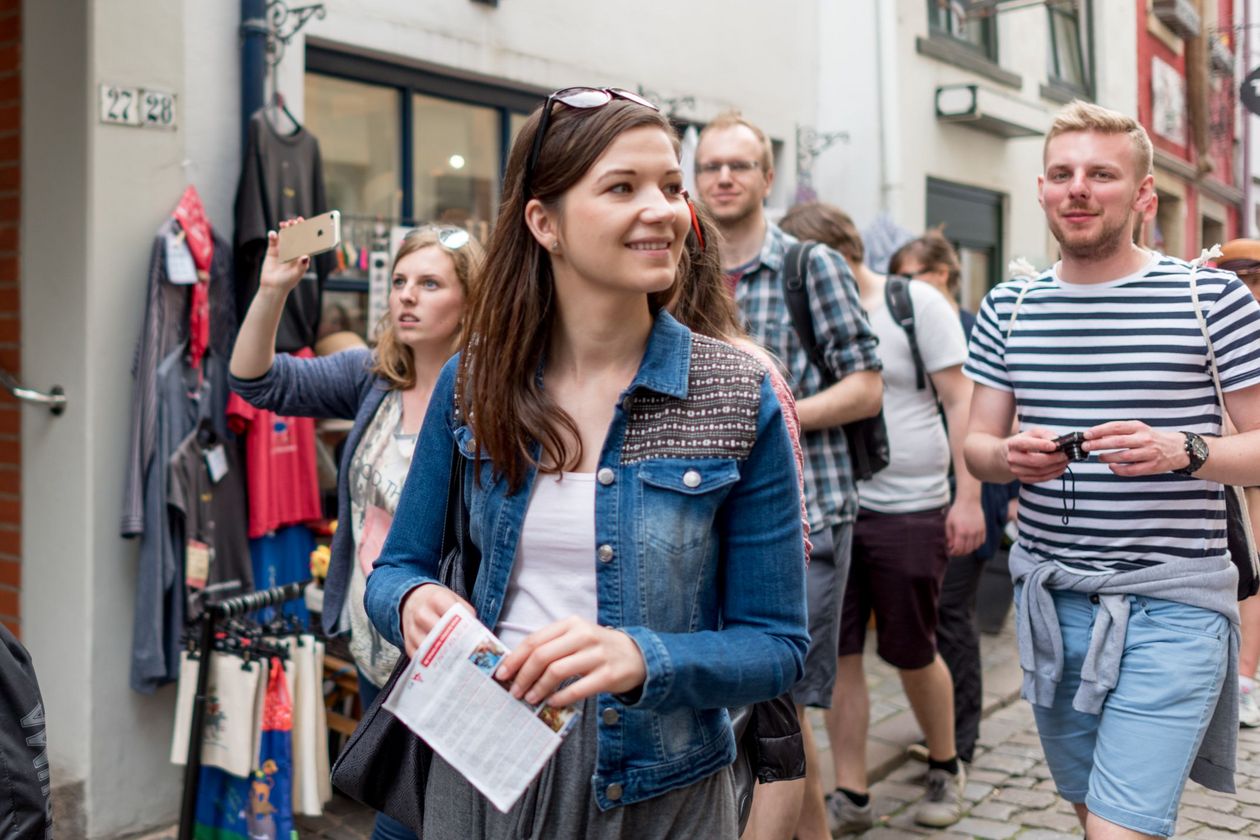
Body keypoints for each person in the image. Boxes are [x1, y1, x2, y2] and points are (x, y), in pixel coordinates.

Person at [365, 87, 810, 840]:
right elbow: (395, 568)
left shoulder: (737, 392)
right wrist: (410, 602)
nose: (663, 210)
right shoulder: (473, 382)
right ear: (545, 223)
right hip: (478, 764)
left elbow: (777, 647)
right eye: (622, 188)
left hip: (658, 789)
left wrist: (641, 657)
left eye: (671, 186)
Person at [964, 100, 1260, 839]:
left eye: (1101, 174)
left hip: (1174, 604)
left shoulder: (1208, 297)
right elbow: (975, 445)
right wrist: (1008, 456)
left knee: (1117, 827)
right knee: (1090, 804)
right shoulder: (1009, 306)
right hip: (1050, 602)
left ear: (1143, 194)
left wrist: (1184, 450)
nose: (1078, 189)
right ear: (1041, 189)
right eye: (1062, 173)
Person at [230, 222, 484, 840]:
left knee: (416, 817)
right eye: (399, 281)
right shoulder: (374, 378)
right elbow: (255, 381)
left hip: (440, 647)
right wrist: (273, 289)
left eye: (429, 283)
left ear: (471, 299)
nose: (407, 296)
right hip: (372, 634)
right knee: (396, 799)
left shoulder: (489, 397)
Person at [694, 112, 882, 840]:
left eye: (739, 165)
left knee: (785, 697)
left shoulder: (811, 266)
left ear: (767, 177)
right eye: (711, 166)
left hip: (810, 513)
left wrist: (765, 417)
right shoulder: (682, 262)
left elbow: (865, 386)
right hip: (710, 517)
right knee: (750, 701)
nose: (724, 178)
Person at [780, 202, 983, 830]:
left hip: (910, 507)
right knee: (841, 657)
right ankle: (853, 793)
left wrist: (967, 497)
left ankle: (945, 763)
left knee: (912, 649)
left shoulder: (912, 303)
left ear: (842, 255)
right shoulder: (800, 307)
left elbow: (961, 400)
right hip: (831, 508)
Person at [888, 232, 1020, 769]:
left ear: (941, 274)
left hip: (972, 493)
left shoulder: (971, 329)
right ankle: (945, 729)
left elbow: (1005, 414)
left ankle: (960, 741)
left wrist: (1001, 497)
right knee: (938, 616)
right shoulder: (908, 326)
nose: (899, 288)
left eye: (908, 277)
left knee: (951, 615)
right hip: (928, 496)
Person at [1214, 238, 1260, 729]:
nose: (1245, 284)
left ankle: (1245, 677)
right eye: (1235, 274)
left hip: (1252, 459)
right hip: (1215, 457)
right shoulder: (1213, 313)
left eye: (1253, 276)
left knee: (1253, 564)